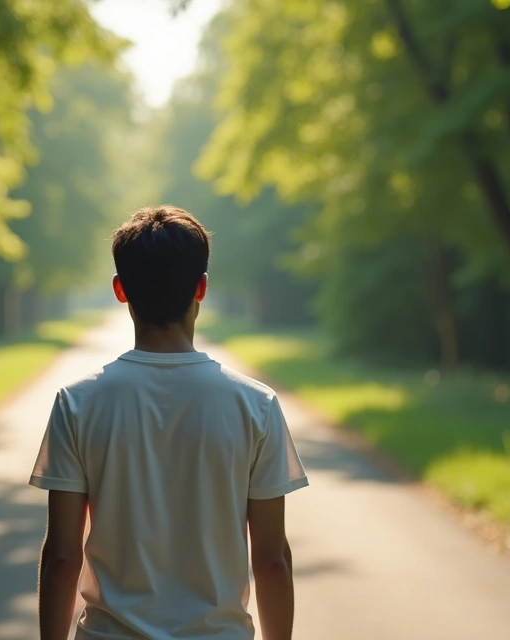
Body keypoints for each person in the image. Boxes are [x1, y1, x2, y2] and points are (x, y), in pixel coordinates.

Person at [29, 205, 309, 640]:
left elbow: (63, 556)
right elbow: (271, 559)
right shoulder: (256, 405)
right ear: (202, 287)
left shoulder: (77, 403)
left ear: (121, 290)